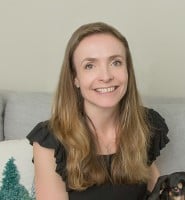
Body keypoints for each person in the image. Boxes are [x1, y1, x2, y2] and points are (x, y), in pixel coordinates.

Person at [27, 22, 169, 200]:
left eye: (116, 62)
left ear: (128, 71)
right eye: (90, 66)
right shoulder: (51, 139)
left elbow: (158, 193)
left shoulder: (146, 124)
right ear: (75, 78)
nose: (106, 76)